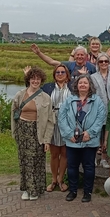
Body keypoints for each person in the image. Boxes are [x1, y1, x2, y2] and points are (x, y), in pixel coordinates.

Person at [58, 74, 107, 202]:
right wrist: (69, 134)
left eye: (85, 83)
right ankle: (73, 190)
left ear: (90, 85)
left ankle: (87, 192)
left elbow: (100, 118)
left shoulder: (97, 101)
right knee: (72, 166)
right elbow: (61, 118)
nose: (83, 85)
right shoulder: (69, 100)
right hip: (72, 140)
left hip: (89, 141)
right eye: (80, 83)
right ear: (76, 85)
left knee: (89, 166)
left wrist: (90, 133)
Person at [11, 66, 54, 201]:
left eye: (38, 79)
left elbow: (50, 120)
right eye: (33, 78)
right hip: (22, 130)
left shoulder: (46, 97)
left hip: (37, 131)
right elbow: (14, 114)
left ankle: (36, 188)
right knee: (25, 160)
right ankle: (27, 189)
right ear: (28, 80)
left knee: (37, 161)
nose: (35, 81)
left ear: (41, 81)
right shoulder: (20, 95)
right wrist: (15, 133)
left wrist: (47, 140)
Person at [40, 64, 71, 193]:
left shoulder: (72, 87)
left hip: (67, 122)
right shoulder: (48, 87)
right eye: (57, 72)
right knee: (54, 153)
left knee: (64, 153)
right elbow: (34, 92)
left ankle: (61, 179)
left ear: (67, 74)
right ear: (54, 75)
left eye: (62, 72)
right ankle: (53, 180)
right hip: (52, 121)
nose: (60, 74)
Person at [90, 53, 110, 168]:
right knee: (97, 134)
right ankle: (93, 158)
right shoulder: (93, 77)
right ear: (98, 63)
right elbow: (91, 93)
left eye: (106, 61)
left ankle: (105, 158)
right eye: (101, 61)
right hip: (98, 108)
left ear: (109, 63)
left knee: (108, 134)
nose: (103, 63)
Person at [31, 44, 96, 81]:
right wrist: (39, 53)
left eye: (82, 55)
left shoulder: (92, 67)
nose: (79, 57)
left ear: (86, 56)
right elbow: (51, 62)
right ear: (74, 56)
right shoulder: (69, 65)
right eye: (77, 55)